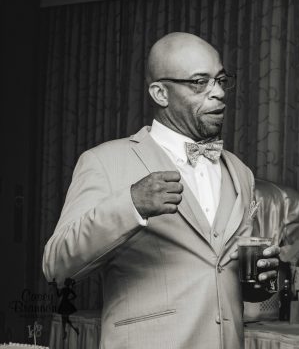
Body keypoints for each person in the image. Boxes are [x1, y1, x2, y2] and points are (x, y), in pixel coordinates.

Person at [43, 32, 279, 348]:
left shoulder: (239, 170)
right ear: (160, 93)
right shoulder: (104, 161)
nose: (219, 92)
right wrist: (131, 205)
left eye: (221, 80)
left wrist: (259, 284)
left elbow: (222, 272)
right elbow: (56, 267)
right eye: (200, 82)